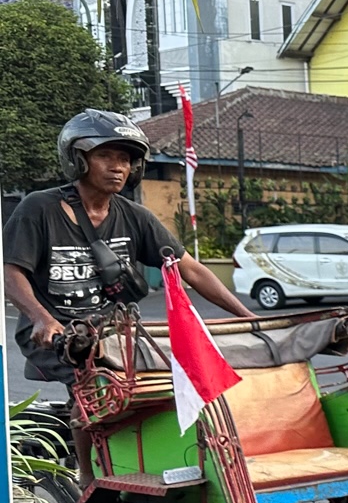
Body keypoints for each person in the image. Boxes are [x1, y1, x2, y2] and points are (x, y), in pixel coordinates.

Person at [4, 110, 251, 383]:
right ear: (78, 160)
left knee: (179, 376)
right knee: (102, 387)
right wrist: (41, 318)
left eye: (124, 159)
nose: (117, 166)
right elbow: (11, 271)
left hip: (112, 331)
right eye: (104, 156)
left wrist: (249, 318)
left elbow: (190, 269)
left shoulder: (135, 216)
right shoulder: (39, 208)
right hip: (57, 334)